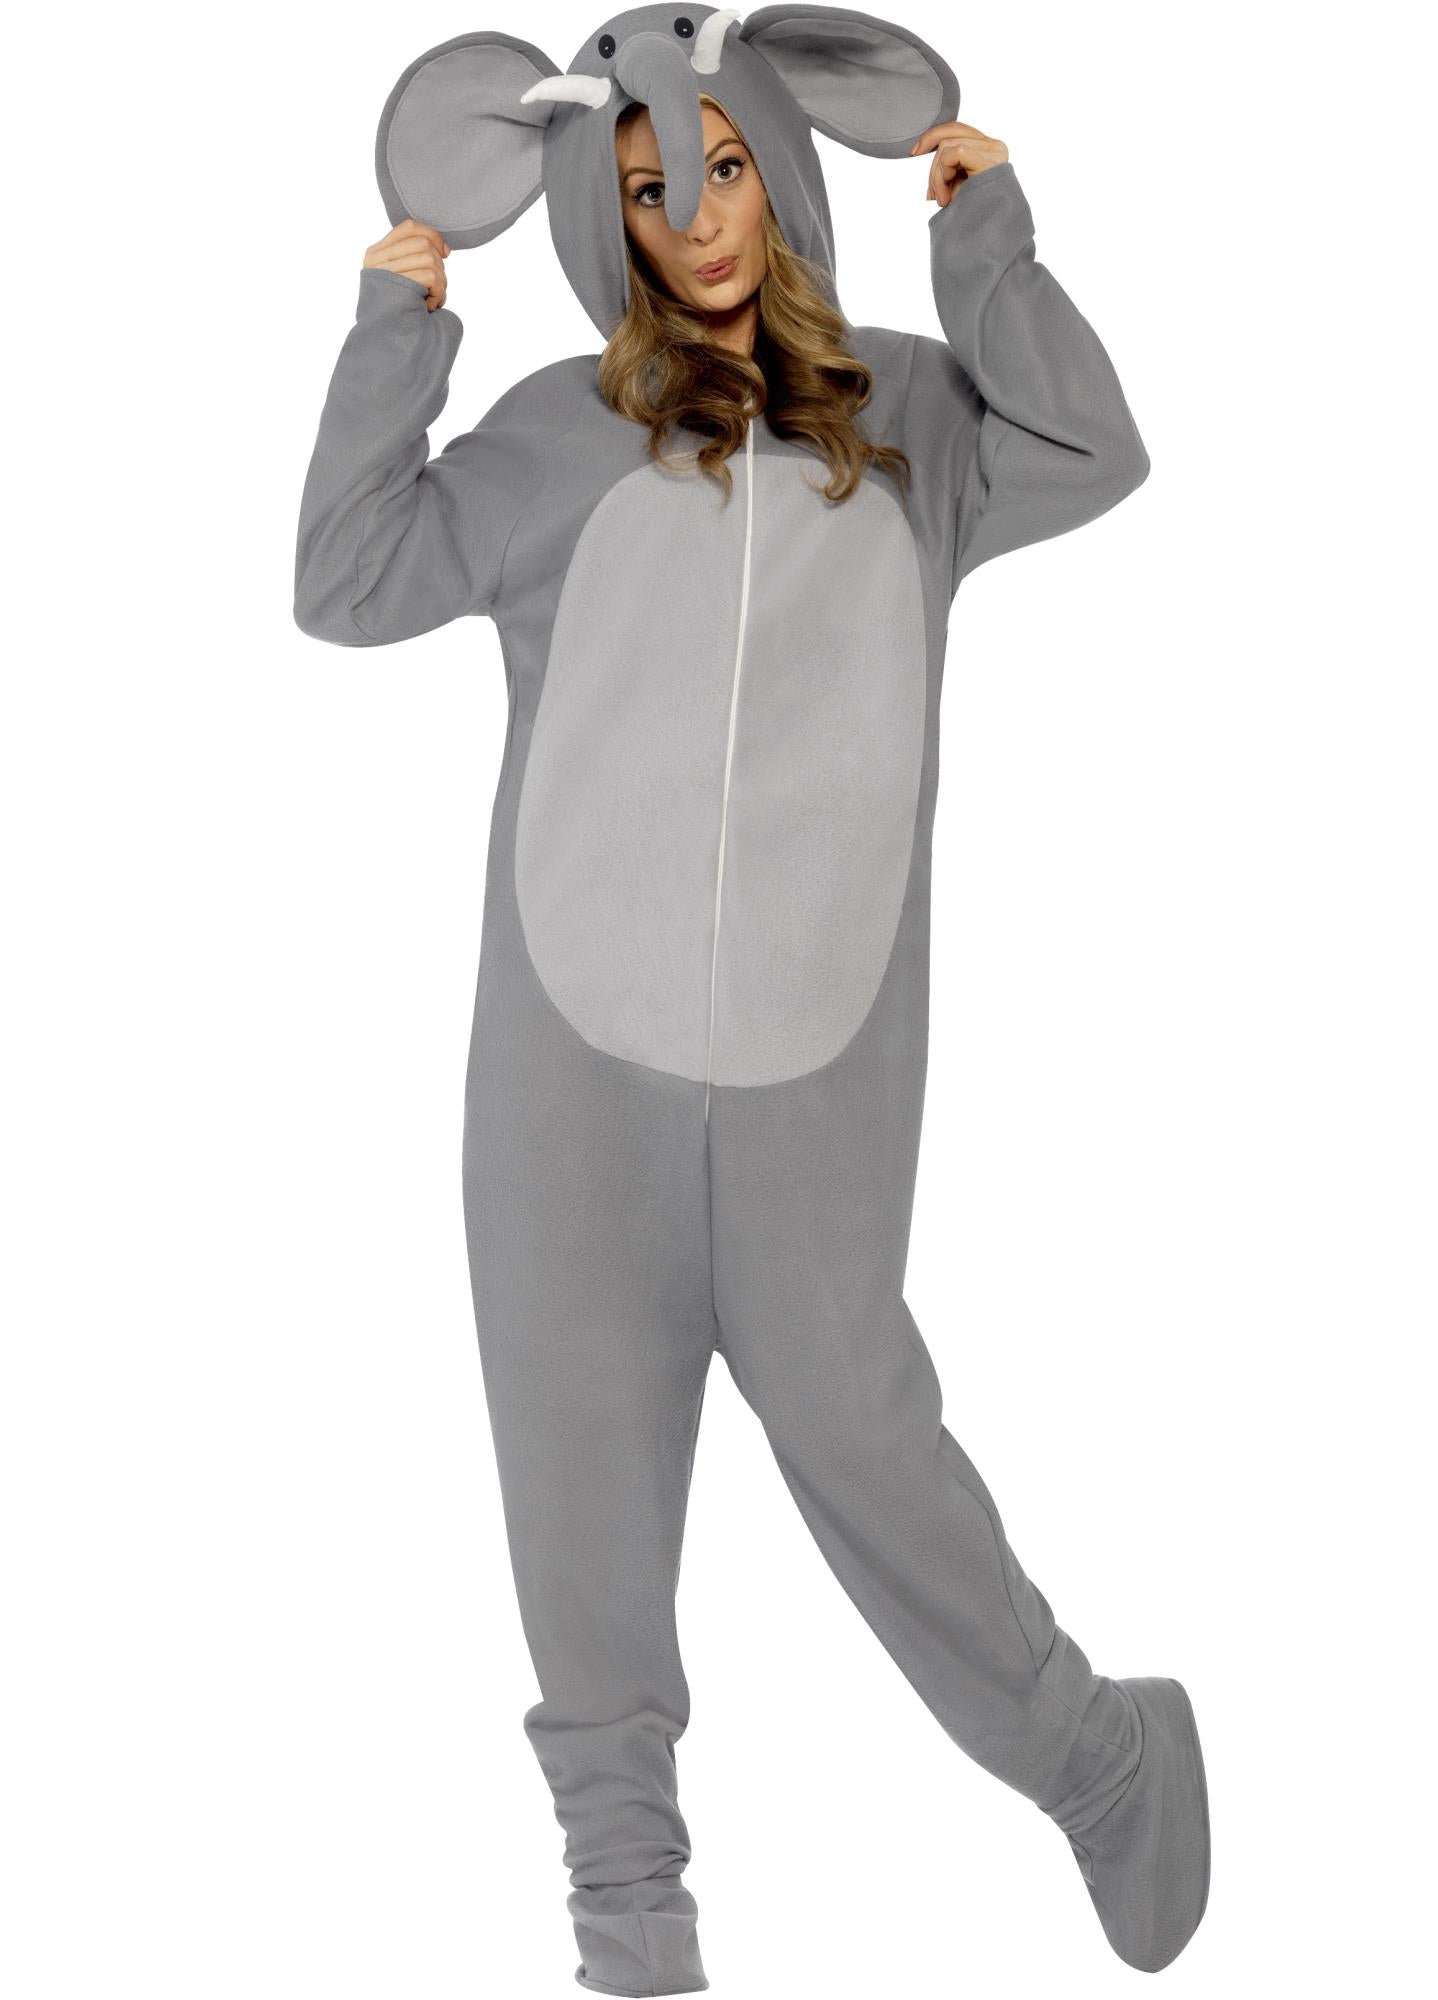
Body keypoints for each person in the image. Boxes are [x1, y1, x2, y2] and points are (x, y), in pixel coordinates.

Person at [292, 10, 1209, 1994]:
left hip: (819, 1081)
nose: (698, 218)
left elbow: (1099, 448)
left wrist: (987, 237)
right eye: (646, 189)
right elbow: (347, 578)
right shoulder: (554, 435)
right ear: (595, 213)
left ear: (782, 166)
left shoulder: (916, 420)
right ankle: (633, 1930)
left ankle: (1100, 1753)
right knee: (582, 1511)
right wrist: (398, 324)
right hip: (564, 1087)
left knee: (866, 1444)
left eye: (722, 168)